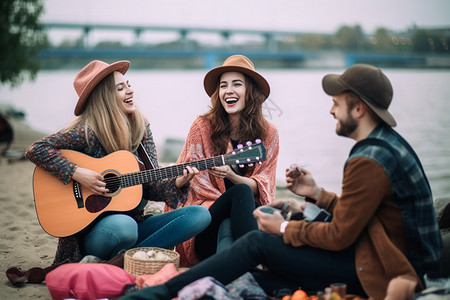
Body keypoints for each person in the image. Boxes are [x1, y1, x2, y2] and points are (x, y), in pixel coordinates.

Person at [118, 64, 442, 300]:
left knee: (261, 241)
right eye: (223, 85)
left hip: (380, 269)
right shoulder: (386, 147)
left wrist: (283, 229)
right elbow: (361, 218)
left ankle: (163, 292)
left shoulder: (368, 160)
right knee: (277, 234)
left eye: (337, 103)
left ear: (358, 108)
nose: (330, 110)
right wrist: (318, 195)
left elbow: (342, 235)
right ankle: (238, 279)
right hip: (380, 256)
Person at [25, 60, 211, 265]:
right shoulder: (87, 133)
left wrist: (177, 183)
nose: (130, 91)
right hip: (98, 234)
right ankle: (125, 258)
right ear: (104, 98)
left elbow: (150, 187)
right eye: (120, 88)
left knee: (199, 215)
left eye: (128, 85)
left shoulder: (141, 130)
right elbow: (36, 149)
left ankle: (117, 262)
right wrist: (77, 173)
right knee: (125, 227)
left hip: (134, 224)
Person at [164, 55, 279, 267]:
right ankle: (263, 263)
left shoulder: (268, 134)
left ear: (250, 91)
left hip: (242, 221)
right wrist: (182, 179)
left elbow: (265, 184)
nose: (229, 90)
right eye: (223, 85)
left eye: (237, 84)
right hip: (205, 224)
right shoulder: (201, 127)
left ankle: (232, 271)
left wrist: (232, 176)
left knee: (234, 213)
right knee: (238, 199)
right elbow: (180, 182)